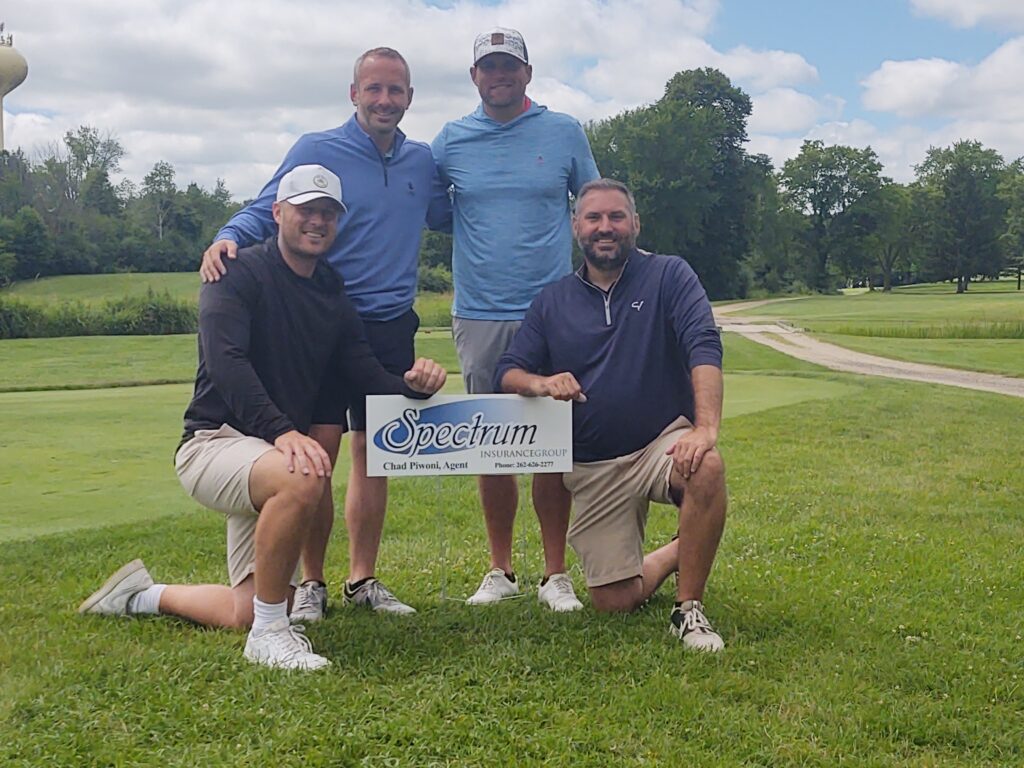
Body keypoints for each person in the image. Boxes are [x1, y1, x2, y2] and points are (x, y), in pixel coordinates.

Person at [79, 166, 448, 670]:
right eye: (305, 209)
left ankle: (141, 595)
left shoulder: (331, 288)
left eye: (328, 212)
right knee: (304, 475)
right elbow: (227, 364)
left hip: (267, 457)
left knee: (244, 609)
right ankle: (270, 636)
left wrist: (411, 387)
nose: (317, 221)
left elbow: (360, 367)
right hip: (214, 443)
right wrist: (284, 432)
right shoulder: (236, 273)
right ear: (277, 212)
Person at [199, 48, 450, 619]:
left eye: (395, 90)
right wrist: (226, 236)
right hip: (322, 317)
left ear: (410, 97)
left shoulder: (421, 161)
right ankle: (311, 582)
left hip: (390, 322)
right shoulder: (317, 148)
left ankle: (362, 578)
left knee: (376, 452)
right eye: (373, 88)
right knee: (321, 447)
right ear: (354, 93)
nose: (384, 100)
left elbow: (453, 215)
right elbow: (269, 206)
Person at [495, 178, 728, 651]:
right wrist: (542, 383)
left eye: (616, 216)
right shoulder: (553, 299)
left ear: (635, 223)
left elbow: (703, 345)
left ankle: (688, 610)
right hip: (594, 465)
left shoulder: (669, 275)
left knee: (706, 466)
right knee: (614, 601)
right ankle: (681, 549)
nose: (606, 227)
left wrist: (705, 428)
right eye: (594, 218)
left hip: (659, 444)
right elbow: (508, 371)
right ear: (576, 226)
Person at [431, 27, 600, 610]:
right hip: (478, 311)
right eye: (489, 67)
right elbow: (430, 208)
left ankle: (555, 574)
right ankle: (500, 569)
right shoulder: (450, 140)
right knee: (490, 443)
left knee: (551, 444)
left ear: (527, 73)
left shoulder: (564, 131)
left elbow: (592, 206)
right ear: (473, 76)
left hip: (553, 308)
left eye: (509, 66)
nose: (498, 76)